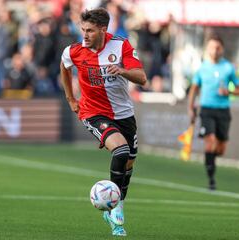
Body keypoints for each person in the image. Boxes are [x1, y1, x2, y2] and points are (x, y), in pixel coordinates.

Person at [60, 8, 146, 237]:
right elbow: (64, 66)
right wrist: (70, 98)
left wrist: (122, 71)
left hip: (124, 114)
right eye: (83, 30)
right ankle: (116, 209)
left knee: (128, 163)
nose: (85, 35)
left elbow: (142, 77)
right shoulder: (74, 51)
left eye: (90, 31)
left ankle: (119, 202)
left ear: (103, 30)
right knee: (120, 150)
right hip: (93, 112)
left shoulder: (121, 46)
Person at [188, 34, 239, 190]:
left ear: (222, 49)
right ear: (207, 49)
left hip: (223, 111)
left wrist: (230, 92)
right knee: (210, 142)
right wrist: (190, 108)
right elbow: (194, 88)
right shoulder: (202, 68)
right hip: (206, 109)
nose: (214, 50)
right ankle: (211, 179)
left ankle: (210, 159)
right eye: (212, 47)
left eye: (217, 47)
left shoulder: (228, 68)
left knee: (220, 148)